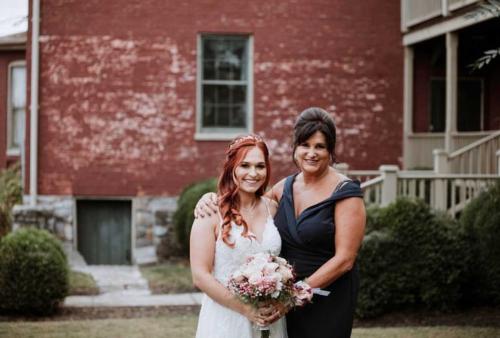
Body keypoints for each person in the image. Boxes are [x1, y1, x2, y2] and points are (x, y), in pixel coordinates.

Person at [195, 107, 366, 338]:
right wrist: (210, 198)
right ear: (295, 148)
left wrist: (293, 295)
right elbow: (245, 206)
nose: (311, 153)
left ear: (331, 151)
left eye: (320, 146)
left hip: (325, 295)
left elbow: (345, 260)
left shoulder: (345, 193)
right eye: (305, 145)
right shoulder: (283, 188)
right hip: (278, 302)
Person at [190, 134, 287, 338]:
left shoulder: (273, 208)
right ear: (231, 168)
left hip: (269, 320)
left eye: (260, 166)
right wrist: (245, 310)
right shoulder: (210, 212)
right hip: (225, 318)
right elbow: (200, 276)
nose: (253, 173)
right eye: (245, 165)